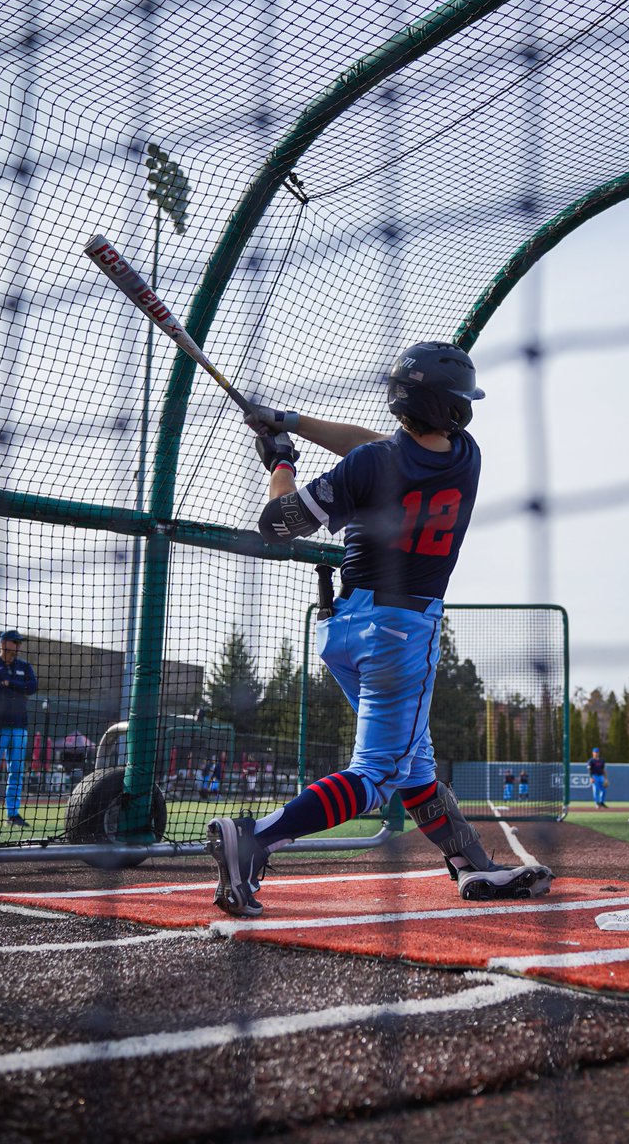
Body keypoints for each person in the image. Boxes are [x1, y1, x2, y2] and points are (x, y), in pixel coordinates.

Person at [206, 341, 554, 916]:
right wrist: (288, 425)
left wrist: (282, 461)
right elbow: (374, 447)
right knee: (379, 770)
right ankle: (253, 839)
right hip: (401, 631)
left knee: (413, 765)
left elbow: (277, 523)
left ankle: (472, 866)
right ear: (452, 410)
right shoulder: (466, 457)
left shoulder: (369, 466)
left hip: (344, 629)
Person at [0, 630, 38, 829]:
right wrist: (19, 689)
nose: (18, 646)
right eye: (14, 642)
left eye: (20, 642)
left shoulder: (24, 666)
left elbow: (33, 686)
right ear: (3, 643)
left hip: (19, 727)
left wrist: (10, 683)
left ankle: (12, 814)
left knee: (17, 772)